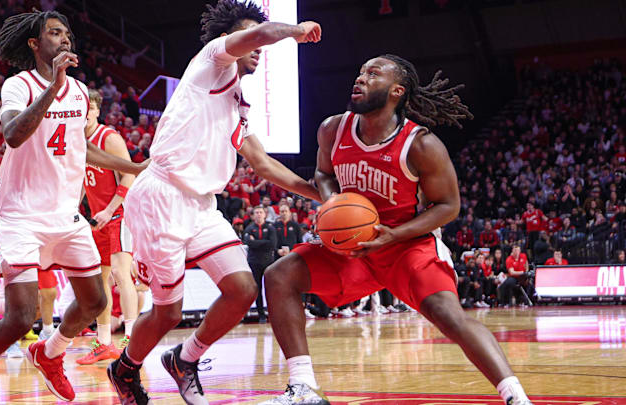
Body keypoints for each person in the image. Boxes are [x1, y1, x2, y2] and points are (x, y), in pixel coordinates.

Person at [259, 54, 531, 405]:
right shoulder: (332, 129)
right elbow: (324, 174)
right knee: (278, 276)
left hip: (406, 244)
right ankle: (304, 388)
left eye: (372, 74)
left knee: (448, 315)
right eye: (360, 72)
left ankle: (515, 396)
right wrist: (332, 205)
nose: (360, 78)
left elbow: (449, 206)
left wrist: (392, 235)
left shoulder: (421, 144)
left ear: (396, 91)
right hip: (353, 247)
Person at [107, 2, 322, 404]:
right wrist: (295, 30)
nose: (257, 46)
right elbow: (256, 37)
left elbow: (261, 163)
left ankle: (184, 359)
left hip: (202, 205)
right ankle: (124, 368)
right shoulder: (211, 62)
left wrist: (319, 193)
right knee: (168, 312)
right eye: (248, 36)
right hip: (162, 198)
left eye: (257, 38)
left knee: (242, 290)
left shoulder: (238, 102)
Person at [0, 10, 146, 405]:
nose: (65, 39)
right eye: (55, 33)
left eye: (67, 33)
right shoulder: (18, 85)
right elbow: (13, 135)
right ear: (35, 44)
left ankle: (49, 353)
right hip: (21, 213)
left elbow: (81, 148)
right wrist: (51, 88)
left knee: (96, 301)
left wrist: (134, 166)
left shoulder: (78, 91)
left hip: (65, 214)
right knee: (20, 317)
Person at [76, 89, 139, 365]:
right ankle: (103, 343)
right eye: (80, 108)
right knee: (98, 281)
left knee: (120, 274)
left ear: (97, 111)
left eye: (88, 108)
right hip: (97, 219)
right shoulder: (77, 141)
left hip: (119, 214)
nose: (84, 113)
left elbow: (130, 174)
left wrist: (110, 209)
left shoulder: (108, 137)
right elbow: (81, 181)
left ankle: (132, 339)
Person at [242, 205, 276, 322]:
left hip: (268, 262)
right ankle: (261, 315)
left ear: (265, 214)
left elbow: (272, 244)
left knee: (270, 289)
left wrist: (255, 242)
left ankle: (272, 313)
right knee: (257, 289)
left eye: (260, 212)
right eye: (256, 212)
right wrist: (262, 243)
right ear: (253, 215)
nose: (258, 214)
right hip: (254, 262)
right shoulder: (249, 228)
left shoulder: (270, 228)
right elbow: (248, 243)